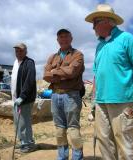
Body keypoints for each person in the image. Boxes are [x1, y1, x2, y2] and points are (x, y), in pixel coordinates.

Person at [85, 4, 133, 160]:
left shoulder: (126, 38)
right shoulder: (99, 46)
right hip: (101, 103)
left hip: (122, 102)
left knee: (124, 145)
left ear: (105, 21)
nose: (92, 27)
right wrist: (93, 100)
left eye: (95, 22)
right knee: (104, 142)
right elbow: (96, 75)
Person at [43, 29, 85, 160]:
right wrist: (62, 74)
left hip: (71, 96)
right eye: (61, 37)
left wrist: (54, 72)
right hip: (55, 96)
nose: (64, 39)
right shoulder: (52, 57)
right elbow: (45, 75)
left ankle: (77, 157)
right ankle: (62, 157)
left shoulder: (77, 55)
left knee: (73, 129)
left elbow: (72, 71)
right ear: (57, 40)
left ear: (71, 38)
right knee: (59, 130)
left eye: (66, 36)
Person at [11, 43, 37, 153]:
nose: (18, 53)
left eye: (21, 51)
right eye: (16, 51)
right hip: (15, 99)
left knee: (24, 123)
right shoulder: (15, 63)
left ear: (26, 51)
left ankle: (28, 145)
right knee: (18, 123)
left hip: (24, 99)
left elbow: (29, 80)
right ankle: (23, 142)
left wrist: (22, 96)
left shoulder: (29, 62)